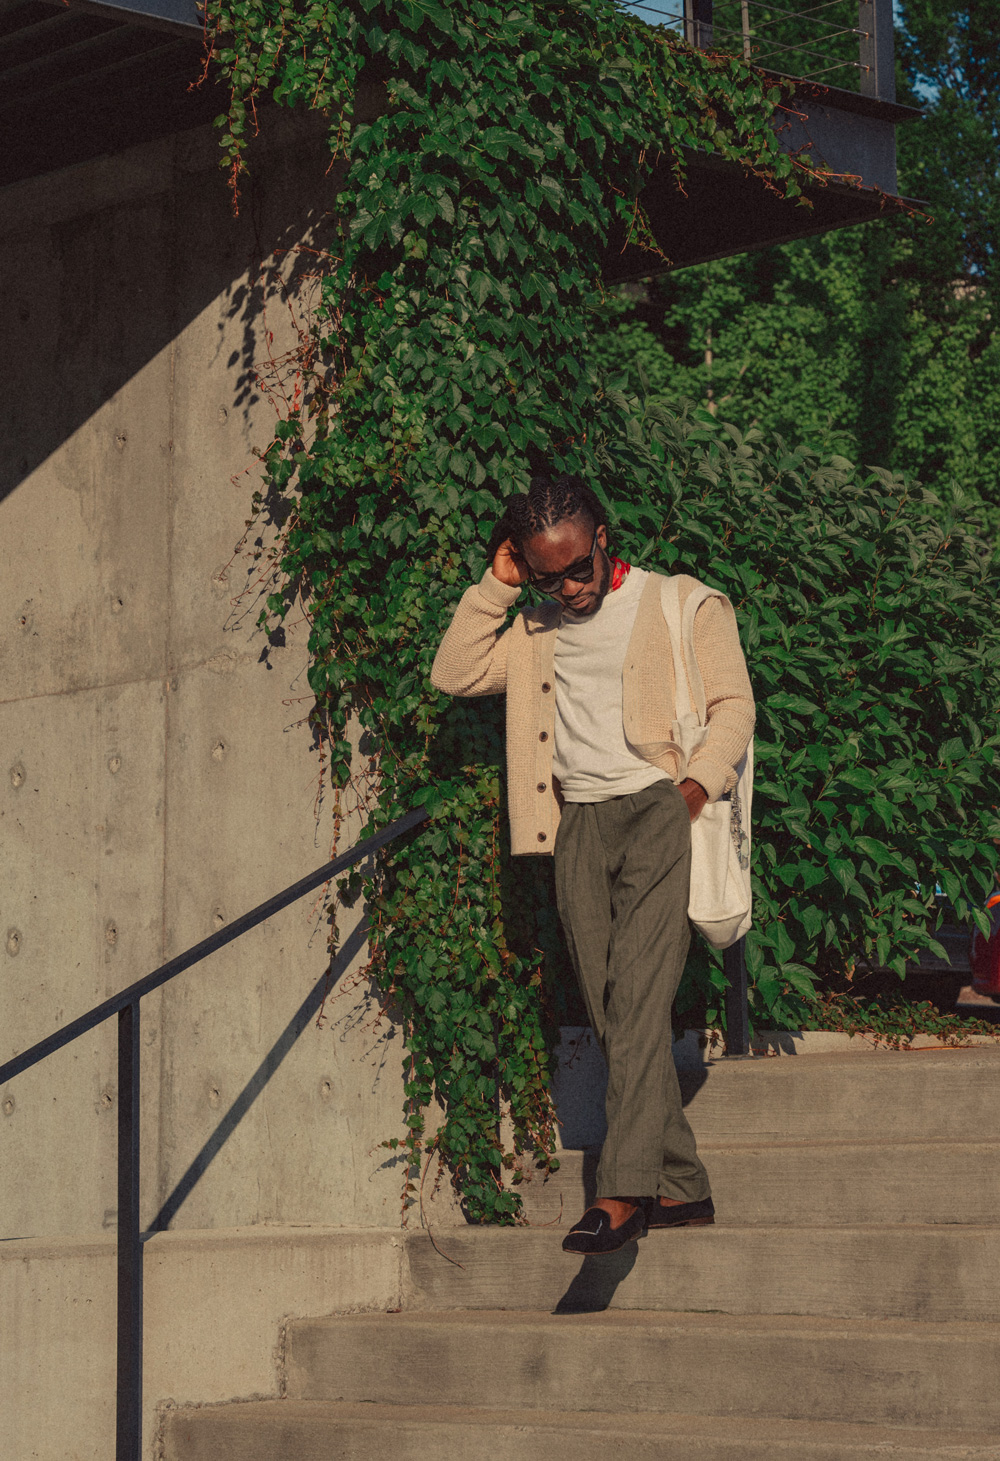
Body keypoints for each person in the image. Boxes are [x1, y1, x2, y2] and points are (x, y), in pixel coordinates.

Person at [431, 473, 754, 1255]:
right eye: (549, 574)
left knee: (638, 998)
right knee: (612, 1010)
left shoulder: (683, 601)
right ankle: (684, 1187)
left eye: (579, 567)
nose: (570, 588)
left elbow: (735, 705)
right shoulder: (536, 628)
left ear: (603, 536)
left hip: (657, 811)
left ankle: (623, 1189)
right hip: (574, 827)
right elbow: (454, 673)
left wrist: (689, 791)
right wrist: (497, 587)